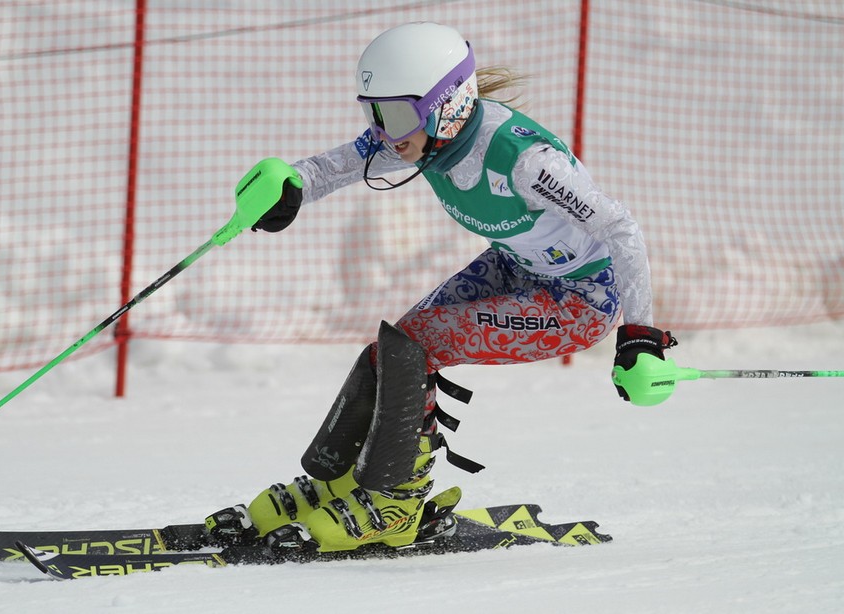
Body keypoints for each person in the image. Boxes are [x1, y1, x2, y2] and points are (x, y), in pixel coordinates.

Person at [205, 22, 677, 553]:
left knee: (418, 345)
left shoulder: (523, 162)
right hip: (518, 267)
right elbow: (333, 167)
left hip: (580, 301)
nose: (385, 131)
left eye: (397, 114)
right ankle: (345, 481)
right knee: (396, 348)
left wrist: (640, 334)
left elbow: (619, 227)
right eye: (374, 113)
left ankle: (396, 504)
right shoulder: (421, 139)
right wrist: (287, 185)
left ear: (448, 104)